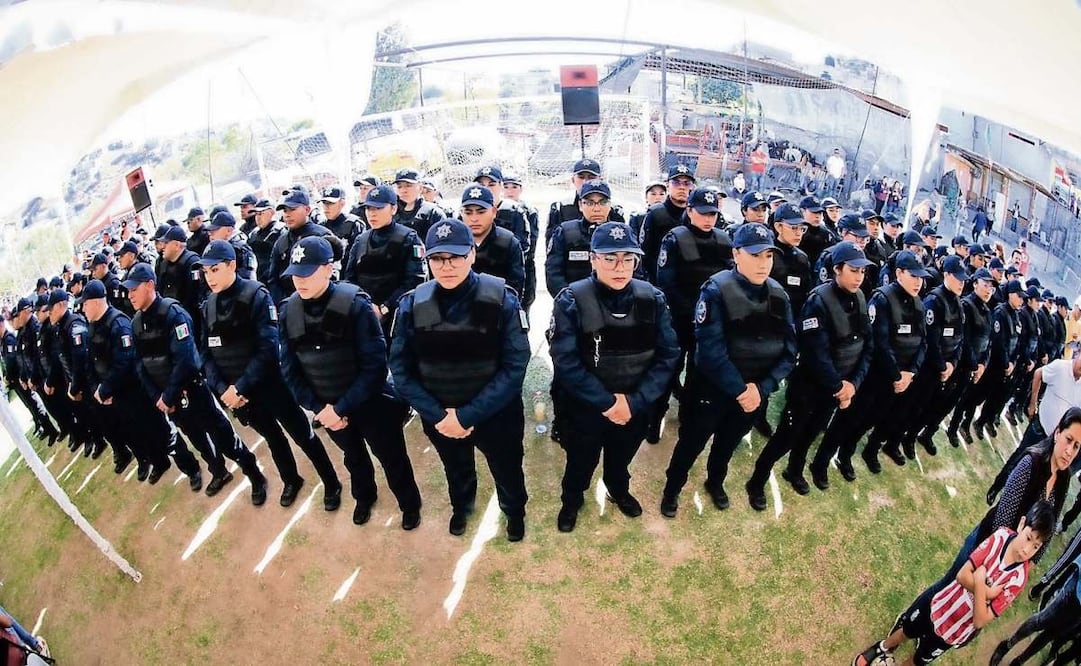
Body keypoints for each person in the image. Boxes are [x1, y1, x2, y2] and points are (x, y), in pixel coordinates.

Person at [389, 218, 530, 541]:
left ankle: (514, 512)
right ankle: (462, 507)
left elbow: (515, 365)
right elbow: (401, 368)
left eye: (455, 257)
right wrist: (440, 416)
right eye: (438, 258)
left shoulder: (501, 298)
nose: (447, 266)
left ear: (471, 254)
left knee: (507, 469)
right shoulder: (412, 303)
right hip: (439, 414)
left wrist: (466, 416)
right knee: (456, 468)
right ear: (427, 259)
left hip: (496, 414)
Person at [278, 237, 421, 527]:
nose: (299, 281)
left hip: (370, 404)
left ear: (329, 268)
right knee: (353, 458)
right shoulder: (288, 311)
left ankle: (409, 504)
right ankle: (364, 497)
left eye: (307, 273)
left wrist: (339, 407)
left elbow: (375, 367)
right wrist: (320, 409)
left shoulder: (355, 304)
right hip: (327, 406)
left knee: (392, 457)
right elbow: (290, 370)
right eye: (295, 273)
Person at [548, 222, 679, 531]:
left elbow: (668, 355)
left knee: (620, 459)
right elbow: (565, 361)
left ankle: (617, 489)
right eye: (610, 258)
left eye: (628, 258)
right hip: (586, 407)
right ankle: (572, 500)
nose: (620, 267)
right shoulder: (571, 300)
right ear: (593, 259)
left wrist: (634, 403)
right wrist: (608, 403)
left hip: (635, 405)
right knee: (580, 461)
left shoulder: (652, 299)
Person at [660, 224, 796, 516]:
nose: (763, 263)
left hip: (754, 393)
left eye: (768, 256)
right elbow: (710, 351)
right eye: (755, 255)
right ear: (736, 254)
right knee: (691, 443)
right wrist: (741, 390)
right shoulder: (716, 289)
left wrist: (761, 388)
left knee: (727, 444)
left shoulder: (779, 295)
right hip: (713, 390)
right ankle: (672, 489)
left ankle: (715, 481)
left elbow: (789, 351)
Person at [200, 240, 345, 510]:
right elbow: (206, 354)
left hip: (270, 385)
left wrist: (239, 387)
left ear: (232, 265)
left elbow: (268, 348)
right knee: (273, 438)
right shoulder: (208, 306)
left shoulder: (256, 295)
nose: (210, 277)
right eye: (206, 272)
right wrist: (223, 389)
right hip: (239, 396)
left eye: (215, 270)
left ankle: (331, 481)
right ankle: (291, 479)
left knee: (303, 435)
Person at [123, 262, 267, 501]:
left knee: (224, 437)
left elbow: (186, 360)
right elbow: (140, 365)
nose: (130, 295)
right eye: (128, 291)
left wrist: (168, 395)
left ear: (149, 286)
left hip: (192, 391)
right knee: (198, 440)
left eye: (133, 289)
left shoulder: (173, 313)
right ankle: (218, 471)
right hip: (169, 401)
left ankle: (255, 475)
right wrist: (159, 397)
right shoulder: (136, 323)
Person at [854, 501, 1054, 666]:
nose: (1027, 550)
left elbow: (980, 620)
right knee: (909, 628)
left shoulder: (1019, 578)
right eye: (1028, 538)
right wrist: (987, 592)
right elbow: (962, 575)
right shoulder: (1000, 536)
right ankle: (884, 647)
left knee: (920, 659)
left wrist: (978, 580)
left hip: (956, 630)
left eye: (1036, 546)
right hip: (942, 602)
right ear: (1021, 525)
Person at [748, 241, 873, 497]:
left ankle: (794, 470)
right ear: (837, 269)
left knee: (811, 432)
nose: (859, 277)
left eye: (862, 271)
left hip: (838, 388)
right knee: (788, 435)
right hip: (810, 386)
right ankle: (758, 479)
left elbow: (866, 345)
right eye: (853, 270)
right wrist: (841, 388)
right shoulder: (818, 300)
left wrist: (853, 384)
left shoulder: (860, 298)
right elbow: (816, 353)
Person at [817, 250, 928, 475]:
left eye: (921, 277)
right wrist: (897, 375)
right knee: (849, 419)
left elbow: (922, 342)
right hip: (874, 376)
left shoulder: (918, 304)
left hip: (899, 380)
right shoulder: (882, 298)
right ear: (899, 273)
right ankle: (822, 460)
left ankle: (846, 455)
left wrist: (911, 373)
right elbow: (879, 342)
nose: (919, 282)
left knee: (871, 419)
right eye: (913, 276)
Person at [82, 279, 183, 483]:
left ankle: (187, 464)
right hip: (114, 396)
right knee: (135, 431)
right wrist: (97, 389)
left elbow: (124, 361)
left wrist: (105, 389)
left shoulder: (118, 323)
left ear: (95, 302)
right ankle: (158, 461)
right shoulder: (92, 327)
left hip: (133, 390)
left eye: (85, 304)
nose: (82, 309)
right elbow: (90, 362)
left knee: (159, 430)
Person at [898, 255, 967, 458]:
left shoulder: (958, 304)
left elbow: (960, 338)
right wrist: (942, 366)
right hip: (928, 367)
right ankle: (899, 438)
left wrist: (952, 364)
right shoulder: (934, 300)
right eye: (958, 278)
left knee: (928, 407)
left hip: (945, 369)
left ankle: (911, 437)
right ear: (946, 275)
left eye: (964, 279)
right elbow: (930, 339)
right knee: (913, 406)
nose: (962, 283)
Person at [342, 184, 426, 339]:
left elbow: (415, 281)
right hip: (364, 313)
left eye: (378, 209)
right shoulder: (361, 240)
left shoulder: (409, 238)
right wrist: (366, 306)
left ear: (393, 209)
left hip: (398, 316)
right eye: (369, 209)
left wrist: (386, 307)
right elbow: (349, 279)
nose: (372, 214)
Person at [952, 279, 1024, 444]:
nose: (1021, 300)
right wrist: (1005, 363)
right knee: (970, 397)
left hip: (994, 366)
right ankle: (958, 425)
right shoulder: (1000, 312)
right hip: (991, 366)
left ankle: (965, 423)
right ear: (1011, 295)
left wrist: (1011, 363)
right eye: (1019, 296)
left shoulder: (1015, 316)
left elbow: (1015, 343)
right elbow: (998, 342)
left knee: (979, 397)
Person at [546, 179, 626, 298]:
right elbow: (554, 273)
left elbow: (634, 273)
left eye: (602, 202)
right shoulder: (565, 232)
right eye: (589, 203)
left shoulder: (623, 234)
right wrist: (568, 301)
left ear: (610, 205)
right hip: (573, 302)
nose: (596, 208)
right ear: (580, 205)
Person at [267, 189, 343, 304]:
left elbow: (333, 275)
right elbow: (273, 279)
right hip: (290, 305)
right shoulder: (281, 241)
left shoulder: (322, 236)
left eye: (292, 209)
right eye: (284, 210)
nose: (287, 215)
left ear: (307, 209)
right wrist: (283, 305)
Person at [472, 166, 533, 305]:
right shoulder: (465, 213)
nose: (487, 188)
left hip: (504, 277)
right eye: (481, 184)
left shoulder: (514, 211)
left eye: (491, 184)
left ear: (500, 186)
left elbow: (523, 247)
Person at [460, 184, 526, 299]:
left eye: (481, 212)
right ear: (461, 213)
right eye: (468, 213)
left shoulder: (508, 242)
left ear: (494, 212)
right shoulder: (453, 242)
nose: (474, 218)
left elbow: (515, 288)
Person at [638, 164, 696, 283]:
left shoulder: (697, 214)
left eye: (686, 183)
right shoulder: (656, 214)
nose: (682, 187)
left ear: (693, 187)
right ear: (667, 185)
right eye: (676, 183)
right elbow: (644, 252)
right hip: (657, 281)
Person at [546, 158, 625, 243]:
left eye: (591, 177)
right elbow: (552, 245)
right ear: (573, 180)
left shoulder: (613, 209)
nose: (585, 181)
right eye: (581, 177)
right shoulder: (561, 207)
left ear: (600, 179)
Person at [156, 225, 208, 335]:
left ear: (176, 245)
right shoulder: (163, 264)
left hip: (192, 319)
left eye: (166, 243)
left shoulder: (192, 262)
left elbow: (196, 296)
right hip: (170, 317)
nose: (162, 246)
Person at [501, 171, 541, 309]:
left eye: (514, 187)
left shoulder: (529, 211)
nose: (510, 191)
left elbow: (530, 245)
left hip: (524, 266)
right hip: (501, 268)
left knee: (523, 307)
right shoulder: (494, 210)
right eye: (506, 187)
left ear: (521, 189)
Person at [767, 203, 814, 317]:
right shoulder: (767, 254)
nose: (798, 233)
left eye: (802, 228)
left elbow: (806, 293)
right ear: (778, 227)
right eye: (793, 228)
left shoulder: (802, 258)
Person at [391, 167, 446, 241]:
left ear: (420, 188)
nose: (403, 190)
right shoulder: (391, 213)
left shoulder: (433, 213)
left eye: (408, 185)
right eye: (399, 186)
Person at [206, 211, 257, 281]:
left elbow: (248, 280)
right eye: (210, 231)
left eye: (215, 230)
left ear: (229, 230)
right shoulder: (216, 249)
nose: (211, 234)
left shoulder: (240, 250)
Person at [247, 198, 286, 286]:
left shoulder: (282, 231)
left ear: (272, 212)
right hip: (257, 281)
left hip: (277, 282)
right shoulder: (253, 234)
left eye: (261, 213)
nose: (258, 217)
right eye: (256, 214)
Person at [318, 186, 364, 254]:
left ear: (342, 203)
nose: (326, 207)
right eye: (324, 202)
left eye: (331, 203)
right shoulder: (320, 227)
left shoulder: (354, 224)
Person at [797, 195, 836, 267]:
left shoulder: (826, 234)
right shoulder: (795, 231)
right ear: (802, 211)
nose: (817, 216)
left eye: (820, 213)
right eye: (814, 212)